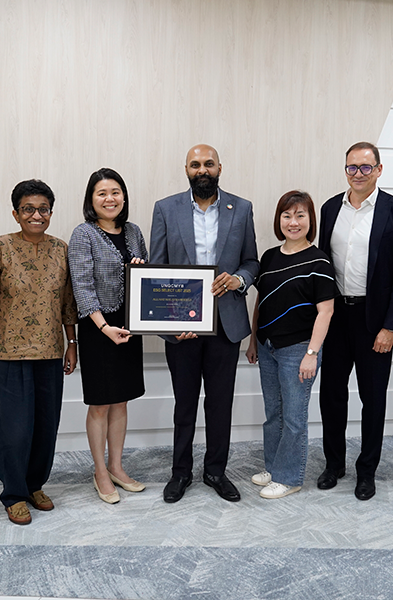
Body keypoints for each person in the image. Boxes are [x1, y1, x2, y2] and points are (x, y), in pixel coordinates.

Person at [150, 144, 259, 504]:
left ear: (219, 168)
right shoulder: (165, 209)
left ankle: (215, 471)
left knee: (220, 404)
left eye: (208, 164)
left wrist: (238, 279)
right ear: (186, 170)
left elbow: (251, 262)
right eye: (195, 164)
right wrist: (168, 321)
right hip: (181, 326)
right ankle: (180, 472)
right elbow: (158, 269)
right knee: (184, 404)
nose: (202, 170)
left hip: (225, 323)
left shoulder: (241, 208)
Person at [0, 179, 78, 525]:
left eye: (43, 209)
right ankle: (14, 494)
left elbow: (67, 304)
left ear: (51, 212)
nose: (36, 215)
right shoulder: (1, 247)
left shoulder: (61, 249)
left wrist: (72, 344)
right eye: (28, 209)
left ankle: (35, 486)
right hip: (8, 354)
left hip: (50, 352)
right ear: (16, 213)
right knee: (15, 430)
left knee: (46, 427)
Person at [316, 142, 393, 501]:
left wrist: (391, 326)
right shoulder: (330, 208)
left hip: (375, 320)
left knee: (372, 398)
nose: (358, 174)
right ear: (345, 170)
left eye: (365, 167)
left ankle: (366, 471)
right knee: (331, 395)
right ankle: (334, 464)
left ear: (379, 170)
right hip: (336, 316)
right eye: (352, 167)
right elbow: (322, 264)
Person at [246, 191, 337, 499]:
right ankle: (274, 468)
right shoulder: (269, 257)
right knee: (274, 413)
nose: (293, 222)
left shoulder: (319, 260)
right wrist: (253, 340)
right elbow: (261, 301)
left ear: (311, 220)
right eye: (287, 216)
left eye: (300, 215)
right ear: (279, 220)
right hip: (267, 346)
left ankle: (289, 477)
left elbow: (326, 311)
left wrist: (312, 353)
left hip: (298, 349)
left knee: (294, 418)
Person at [68, 168, 148, 505]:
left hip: (128, 326)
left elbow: (147, 278)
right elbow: (82, 286)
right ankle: (100, 470)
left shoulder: (133, 231)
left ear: (124, 197)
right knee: (100, 403)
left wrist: (141, 269)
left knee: (121, 400)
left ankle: (116, 466)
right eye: (101, 193)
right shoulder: (83, 234)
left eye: (115, 192)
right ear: (91, 199)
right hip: (98, 328)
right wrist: (104, 328)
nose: (109, 199)